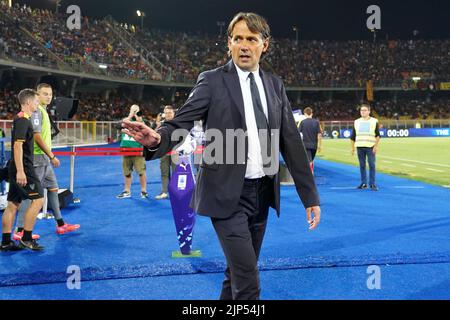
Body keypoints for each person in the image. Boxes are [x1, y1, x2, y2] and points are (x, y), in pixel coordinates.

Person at [122, 12, 321, 300]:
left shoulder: (275, 84)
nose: (243, 45)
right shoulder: (212, 81)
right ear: (229, 43)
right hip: (227, 196)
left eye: (251, 39)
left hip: (262, 194)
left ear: (264, 45)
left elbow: (290, 142)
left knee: (237, 274)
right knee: (249, 283)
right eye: (237, 38)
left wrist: (310, 196)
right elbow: (181, 122)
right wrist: (157, 139)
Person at [15, 83, 80, 239]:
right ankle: (19, 230)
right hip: (37, 158)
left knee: (53, 189)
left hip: (44, 159)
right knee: (30, 195)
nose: (48, 97)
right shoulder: (36, 111)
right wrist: (51, 155)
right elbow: (37, 137)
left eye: (50, 94)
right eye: (45, 94)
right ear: (37, 94)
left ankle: (61, 224)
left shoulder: (43, 110)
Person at [1, 89, 44, 251]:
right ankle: (26, 238)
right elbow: (17, 146)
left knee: (13, 204)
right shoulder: (23, 121)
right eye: (36, 101)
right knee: (39, 199)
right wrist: (20, 171)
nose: (37, 104)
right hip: (23, 168)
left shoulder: (21, 119)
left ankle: (6, 242)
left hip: (17, 166)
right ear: (28, 102)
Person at [116, 104, 148, 199]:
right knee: (127, 172)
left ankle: (143, 191)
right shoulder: (126, 120)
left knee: (141, 172)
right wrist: (130, 115)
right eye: (132, 110)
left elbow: (144, 128)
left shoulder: (142, 122)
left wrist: (137, 116)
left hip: (138, 151)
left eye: (136, 110)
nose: (134, 112)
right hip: (126, 150)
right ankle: (127, 191)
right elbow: (120, 125)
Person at [350, 103, 381, 191]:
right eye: (361, 110)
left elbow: (377, 135)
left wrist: (376, 146)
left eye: (364, 110)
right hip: (360, 146)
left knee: (372, 165)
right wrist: (352, 148)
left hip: (370, 146)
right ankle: (363, 183)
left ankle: (372, 184)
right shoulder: (356, 122)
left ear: (369, 111)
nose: (362, 112)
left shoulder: (374, 121)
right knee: (362, 165)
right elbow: (353, 137)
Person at [154, 105, 176, 200]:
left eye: (170, 113)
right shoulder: (161, 124)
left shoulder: (178, 123)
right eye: (166, 113)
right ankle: (164, 192)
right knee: (164, 173)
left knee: (176, 173)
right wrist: (157, 126)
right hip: (164, 152)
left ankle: (176, 191)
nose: (168, 114)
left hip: (176, 152)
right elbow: (154, 136)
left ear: (173, 113)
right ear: (164, 114)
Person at [299, 107, 322, 173]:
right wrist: (320, 145)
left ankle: (309, 174)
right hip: (314, 145)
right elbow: (319, 135)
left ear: (305, 114)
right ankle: (310, 173)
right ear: (311, 113)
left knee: (309, 160)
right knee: (311, 159)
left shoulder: (302, 122)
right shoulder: (316, 122)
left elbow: (298, 133)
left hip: (305, 144)